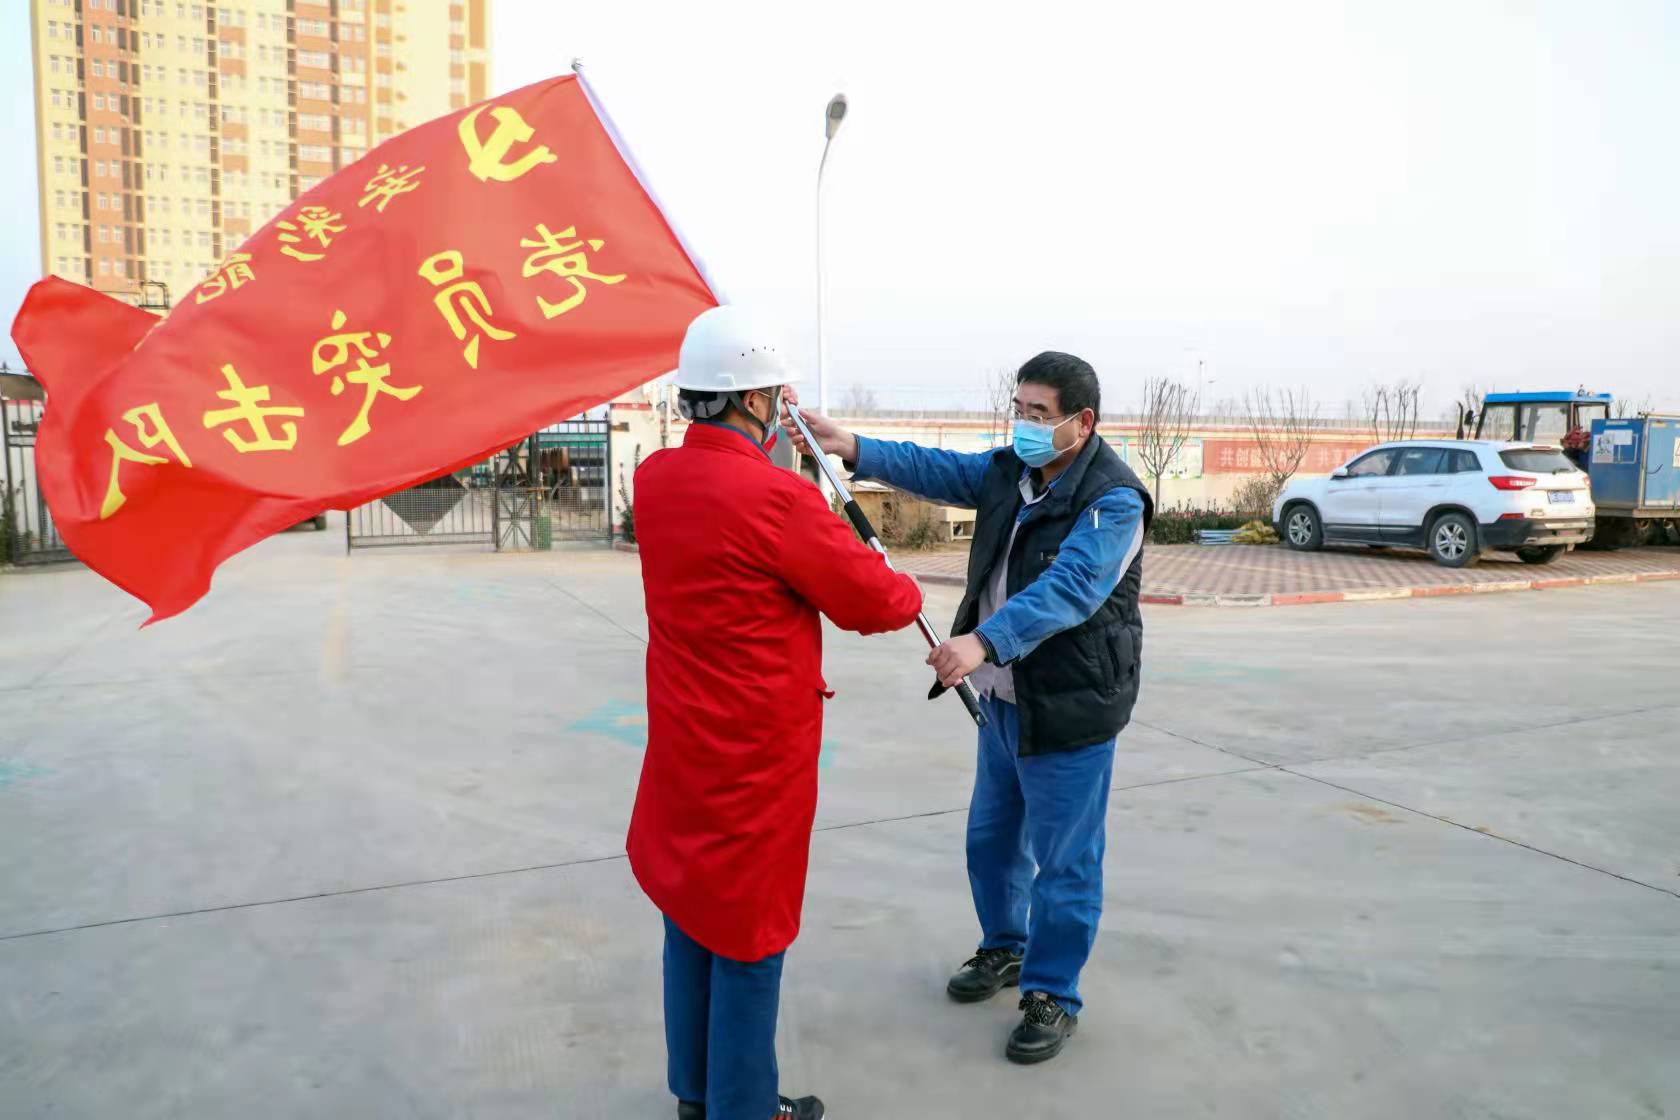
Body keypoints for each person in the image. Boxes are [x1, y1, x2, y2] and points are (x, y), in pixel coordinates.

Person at [786, 351, 1153, 1065]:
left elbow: (1073, 588)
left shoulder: (1114, 500)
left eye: (1039, 415)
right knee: (991, 844)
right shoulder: (1010, 475)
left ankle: (1053, 993)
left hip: (1070, 707)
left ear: (1082, 423)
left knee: (1066, 862)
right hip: (1005, 703)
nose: (1024, 426)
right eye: (1018, 410)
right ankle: (1004, 947)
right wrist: (849, 445)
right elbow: (933, 468)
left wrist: (984, 642)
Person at [627, 305, 925, 1120]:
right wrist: (885, 568)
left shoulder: (652, 480)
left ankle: (697, 1091)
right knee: (750, 938)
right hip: (754, 760)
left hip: (685, 748)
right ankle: (746, 1108)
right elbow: (879, 604)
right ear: (755, 402)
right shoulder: (776, 501)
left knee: (691, 917)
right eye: (775, 395)